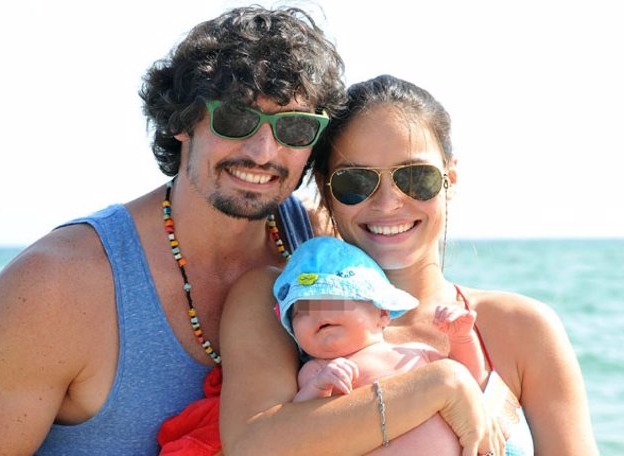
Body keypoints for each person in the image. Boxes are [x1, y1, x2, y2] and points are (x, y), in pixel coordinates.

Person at [0, 6, 346, 455]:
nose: (264, 151)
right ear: (181, 121)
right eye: (235, 118)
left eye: (295, 126)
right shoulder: (57, 286)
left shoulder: (320, 246)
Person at [219, 74, 599, 456]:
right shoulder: (281, 300)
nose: (387, 203)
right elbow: (252, 446)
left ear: (449, 179)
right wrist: (441, 383)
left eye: (415, 178)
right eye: (356, 181)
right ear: (326, 189)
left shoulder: (525, 327)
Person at [277, 236, 491, 455]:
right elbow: (302, 427)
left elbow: (471, 381)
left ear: (382, 313)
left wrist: (462, 337)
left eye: (333, 299)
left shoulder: (414, 352)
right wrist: (319, 388)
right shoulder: (317, 371)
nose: (317, 313)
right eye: (301, 310)